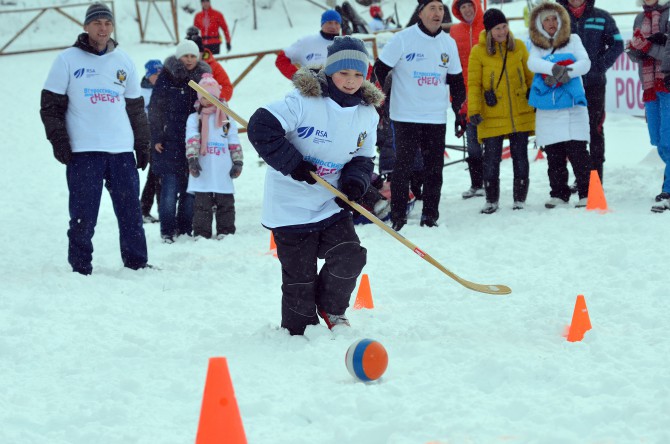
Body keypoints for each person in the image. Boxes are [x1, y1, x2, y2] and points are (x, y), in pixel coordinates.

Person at [247, 36, 383, 336]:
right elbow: (260, 127)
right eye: (344, 73)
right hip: (290, 207)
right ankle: (301, 327)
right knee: (299, 285)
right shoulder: (302, 100)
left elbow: (363, 156)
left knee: (350, 255)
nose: (351, 81)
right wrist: (293, 164)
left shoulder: (367, 114)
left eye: (359, 74)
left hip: (329, 204)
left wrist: (355, 183)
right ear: (330, 70)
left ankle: (332, 308)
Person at [39, 2, 150, 275]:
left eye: (107, 23)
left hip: (121, 150)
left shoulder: (123, 60)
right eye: (97, 23)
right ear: (86, 26)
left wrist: (142, 144)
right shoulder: (67, 59)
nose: (103, 28)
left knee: (130, 213)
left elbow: (135, 107)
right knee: (83, 215)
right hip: (84, 150)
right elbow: (49, 106)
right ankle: (80, 267)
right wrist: (60, 141)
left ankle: (137, 263)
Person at [373, 0, 466, 230]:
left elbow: (456, 82)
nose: (437, 13)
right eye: (432, 8)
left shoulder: (448, 43)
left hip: (435, 116)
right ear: (421, 12)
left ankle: (430, 215)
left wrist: (459, 113)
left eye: (441, 9)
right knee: (402, 166)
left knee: (434, 168)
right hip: (405, 115)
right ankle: (398, 215)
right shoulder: (403, 39)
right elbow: (379, 69)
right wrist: (379, 102)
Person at [468, 9, 536, 213]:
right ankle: (491, 199)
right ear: (489, 31)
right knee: (491, 160)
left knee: (520, 156)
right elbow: (473, 84)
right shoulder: (478, 52)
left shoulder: (519, 47)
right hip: (491, 113)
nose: (502, 31)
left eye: (504, 26)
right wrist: (474, 110)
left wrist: (533, 96)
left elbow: (530, 76)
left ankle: (519, 198)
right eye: (497, 28)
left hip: (519, 112)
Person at [527, 1, 592, 209]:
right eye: (546, 19)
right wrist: (556, 68)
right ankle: (559, 193)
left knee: (579, 153)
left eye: (554, 18)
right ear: (539, 23)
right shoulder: (536, 44)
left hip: (573, 107)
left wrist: (567, 73)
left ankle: (587, 193)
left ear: (561, 20)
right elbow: (532, 63)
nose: (551, 23)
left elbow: (585, 63)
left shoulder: (573, 39)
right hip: (549, 109)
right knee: (554, 154)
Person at [149, 39, 211, 243]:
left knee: (190, 190)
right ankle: (167, 231)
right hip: (170, 140)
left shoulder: (204, 77)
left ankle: (185, 229)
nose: (189, 59)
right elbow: (155, 107)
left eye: (193, 55)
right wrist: (157, 135)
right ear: (178, 57)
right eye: (186, 55)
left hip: (194, 141)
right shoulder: (167, 76)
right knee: (169, 189)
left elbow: (213, 105)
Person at [557, 0, 623, 187]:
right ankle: (582, 179)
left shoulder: (602, 16)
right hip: (566, 85)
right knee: (570, 133)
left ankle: (595, 182)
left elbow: (617, 44)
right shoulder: (557, 17)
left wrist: (598, 66)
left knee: (594, 130)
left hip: (594, 84)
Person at [185, 74, 243, 238]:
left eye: (211, 96)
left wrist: (238, 161)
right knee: (202, 204)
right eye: (204, 97)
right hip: (203, 167)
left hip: (222, 167)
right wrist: (192, 159)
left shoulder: (226, 118)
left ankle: (226, 231)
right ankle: (202, 233)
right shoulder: (195, 118)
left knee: (226, 202)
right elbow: (192, 138)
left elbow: (233, 139)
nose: (207, 100)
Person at [629, 0, 670, 212]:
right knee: (659, 141)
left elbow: (668, 53)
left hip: (668, 83)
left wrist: (648, 46)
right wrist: (635, 48)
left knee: (668, 139)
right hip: (650, 86)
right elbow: (637, 56)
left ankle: (668, 191)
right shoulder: (640, 17)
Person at [450, 0, 486, 199]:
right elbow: (451, 66)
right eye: (462, 7)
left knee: (491, 142)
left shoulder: (487, 25)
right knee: (472, 142)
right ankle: (476, 183)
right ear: (458, 11)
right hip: (465, 94)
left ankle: (491, 182)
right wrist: (455, 98)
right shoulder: (455, 31)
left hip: (488, 92)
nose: (467, 9)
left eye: (469, 5)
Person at [275, 10, 341, 80]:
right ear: (322, 24)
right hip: (312, 90)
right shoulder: (307, 42)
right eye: (329, 22)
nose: (333, 26)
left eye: (336, 23)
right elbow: (281, 59)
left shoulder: (346, 44)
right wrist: (298, 78)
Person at [140, 59, 163, 224]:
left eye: (161, 73)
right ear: (149, 75)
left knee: (156, 174)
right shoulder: (141, 92)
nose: (159, 76)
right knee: (155, 174)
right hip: (148, 138)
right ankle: (145, 209)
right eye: (156, 74)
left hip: (162, 137)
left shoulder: (164, 89)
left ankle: (144, 209)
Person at [187, 34, 234, 101]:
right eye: (187, 55)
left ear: (202, 52)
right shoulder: (180, 68)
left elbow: (227, 88)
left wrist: (212, 99)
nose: (190, 59)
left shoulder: (213, 65)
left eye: (195, 54)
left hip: (209, 109)